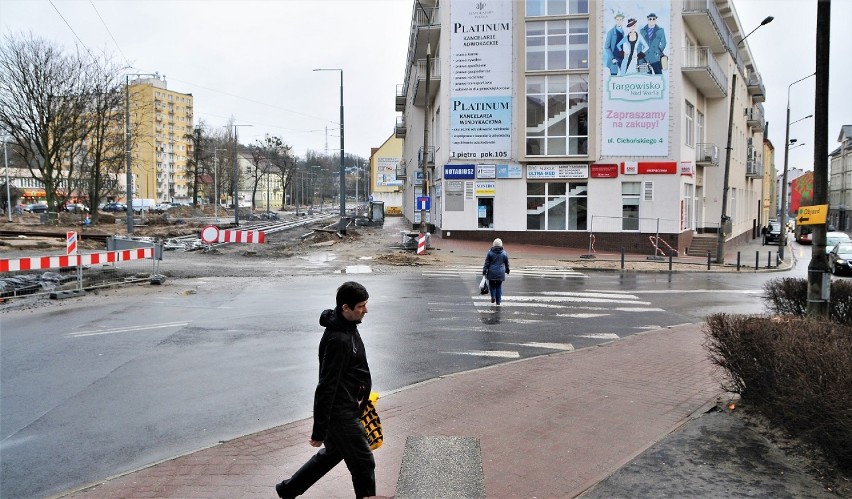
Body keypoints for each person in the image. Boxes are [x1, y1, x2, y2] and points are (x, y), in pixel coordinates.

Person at [275, 281, 376, 499]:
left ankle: (288, 489)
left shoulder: (349, 327)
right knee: (364, 464)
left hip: (349, 407)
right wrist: (319, 430)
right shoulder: (338, 339)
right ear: (345, 308)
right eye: (361, 306)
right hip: (342, 414)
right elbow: (326, 385)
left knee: (333, 454)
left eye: (365, 305)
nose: (365, 310)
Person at [483, 238, 510, 305]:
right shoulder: (504, 253)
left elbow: (486, 263)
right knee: (498, 286)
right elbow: (507, 263)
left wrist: (484, 270)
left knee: (492, 285)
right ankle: (498, 302)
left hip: (491, 272)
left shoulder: (490, 253)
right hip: (500, 273)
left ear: (493, 245)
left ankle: (493, 296)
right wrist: (507, 270)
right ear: (501, 245)